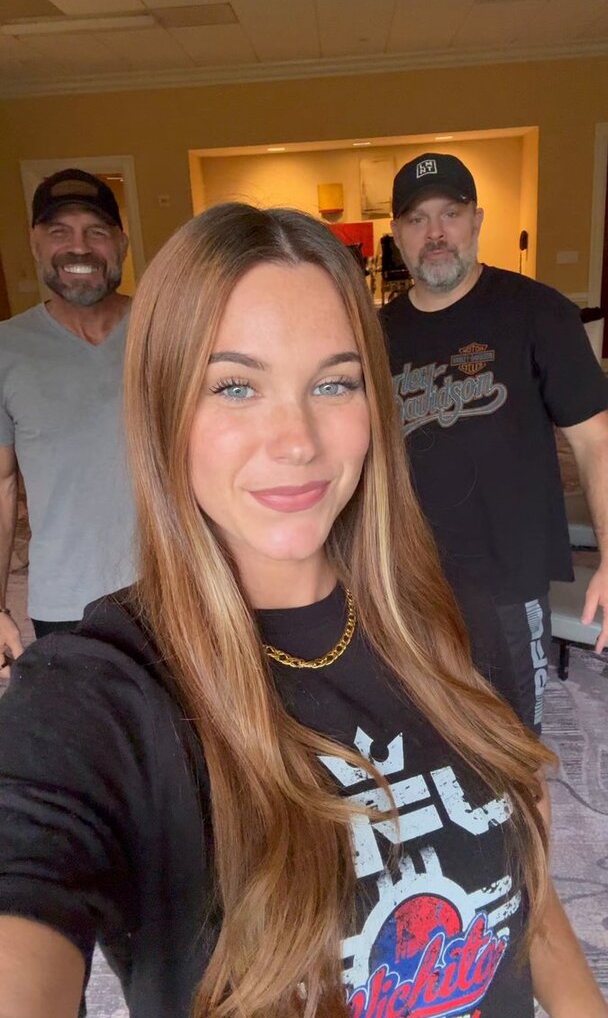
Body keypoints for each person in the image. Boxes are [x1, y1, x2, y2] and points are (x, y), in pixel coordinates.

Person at [0, 204, 605, 1018]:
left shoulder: (454, 617)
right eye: (235, 386)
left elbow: (531, 897)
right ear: (163, 409)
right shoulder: (98, 694)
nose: (296, 441)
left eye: (333, 382)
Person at [380, 153, 608, 733]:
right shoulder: (375, 334)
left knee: (514, 742)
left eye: (450, 214)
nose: (435, 233)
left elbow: (595, 442)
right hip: (407, 584)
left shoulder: (538, 313)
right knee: (429, 735)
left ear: (477, 220)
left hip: (508, 581)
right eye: (417, 219)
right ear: (397, 235)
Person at [0, 168, 137, 674]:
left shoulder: (167, 329)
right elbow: (1, 484)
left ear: (121, 244)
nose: (79, 247)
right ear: (35, 244)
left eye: (96, 231)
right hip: (66, 601)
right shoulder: (6, 350)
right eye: (60, 231)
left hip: (179, 588)